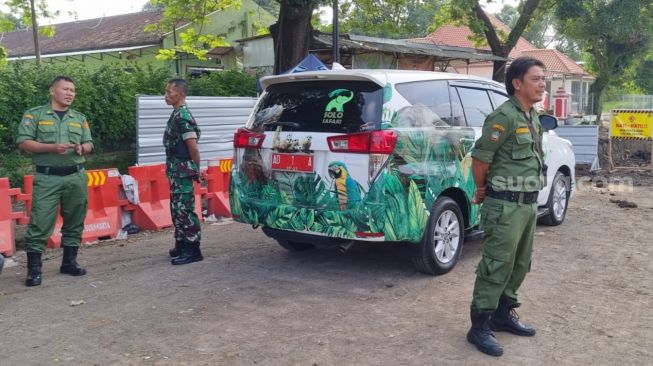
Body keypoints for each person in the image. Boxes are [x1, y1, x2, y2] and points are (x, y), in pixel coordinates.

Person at [467, 57, 547, 356]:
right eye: (536, 79)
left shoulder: (531, 116)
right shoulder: (503, 117)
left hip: (527, 205)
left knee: (520, 263)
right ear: (517, 82)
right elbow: (481, 159)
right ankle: (479, 325)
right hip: (504, 205)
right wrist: (481, 189)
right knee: (496, 264)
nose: (542, 84)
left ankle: (503, 313)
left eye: (543, 79)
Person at [16, 75, 93, 287]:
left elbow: (89, 144)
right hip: (47, 177)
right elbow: (23, 142)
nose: (70, 93)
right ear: (52, 91)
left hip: (76, 176)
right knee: (40, 221)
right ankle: (34, 270)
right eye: (66, 89)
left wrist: (81, 148)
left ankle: (69, 262)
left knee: (75, 219)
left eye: (73, 90)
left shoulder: (78, 117)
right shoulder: (35, 114)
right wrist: (51, 147)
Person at [163, 78, 203, 265]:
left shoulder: (183, 117)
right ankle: (181, 244)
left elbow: (193, 148)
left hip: (183, 171)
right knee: (176, 208)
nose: (166, 96)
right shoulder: (176, 114)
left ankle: (193, 249)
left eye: (169, 92)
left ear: (181, 94)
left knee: (184, 210)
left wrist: (195, 169)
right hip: (175, 171)